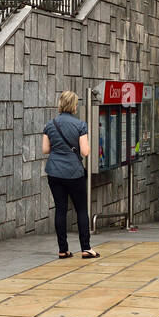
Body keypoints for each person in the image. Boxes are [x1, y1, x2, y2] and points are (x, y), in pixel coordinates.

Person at [41, 90, 99, 260]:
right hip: (74, 172)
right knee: (81, 209)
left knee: (60, 209)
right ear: (74, 105)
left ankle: (63, 250)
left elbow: (45, 149)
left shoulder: (50, 124)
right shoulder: (80, 125)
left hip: (54, 172)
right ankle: (86, 248)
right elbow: (85, 151)